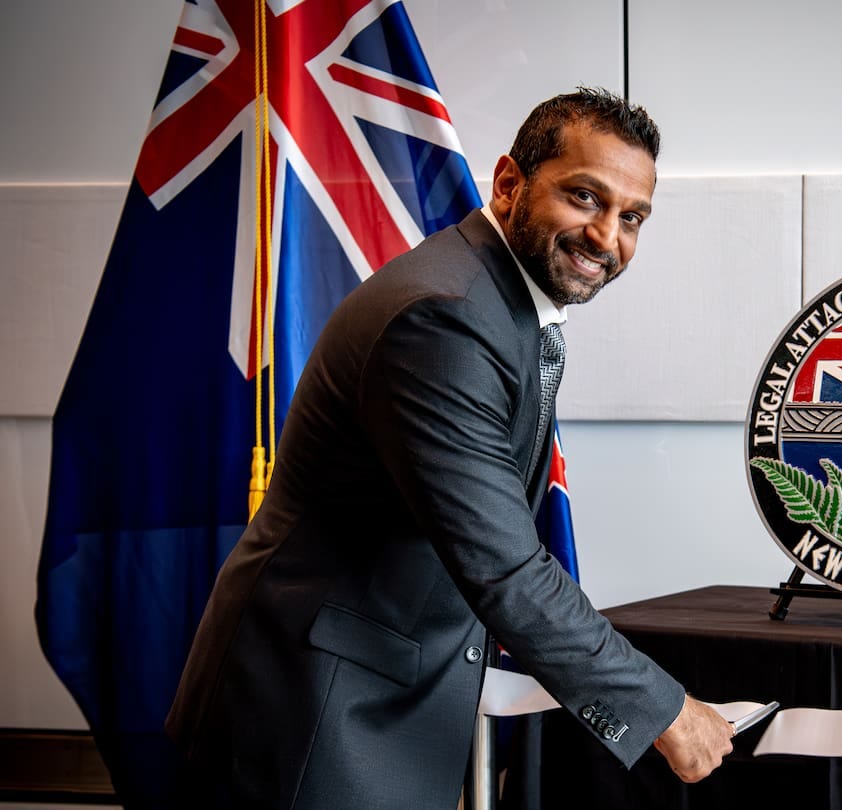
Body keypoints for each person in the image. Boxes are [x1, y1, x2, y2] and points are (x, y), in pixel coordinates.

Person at [167, 88, 733, 808]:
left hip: (371, 701)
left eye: (632, 218)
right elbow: (506, 567)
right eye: (585, 197)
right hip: (312, 720)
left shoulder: (498, 303)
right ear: (508, 184)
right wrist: (664, 710)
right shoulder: (446, 320)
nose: (607, 238)